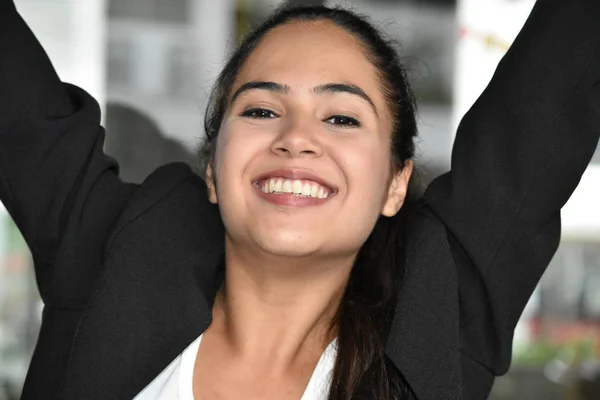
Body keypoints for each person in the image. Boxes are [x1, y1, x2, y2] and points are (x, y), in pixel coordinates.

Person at [0, 0, 599, 399]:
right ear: (212, 168)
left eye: (341, 117)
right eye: (261, 110)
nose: (296, 140)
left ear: (395, 183)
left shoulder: (442, 302)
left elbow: (552, 89)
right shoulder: (113, 253)